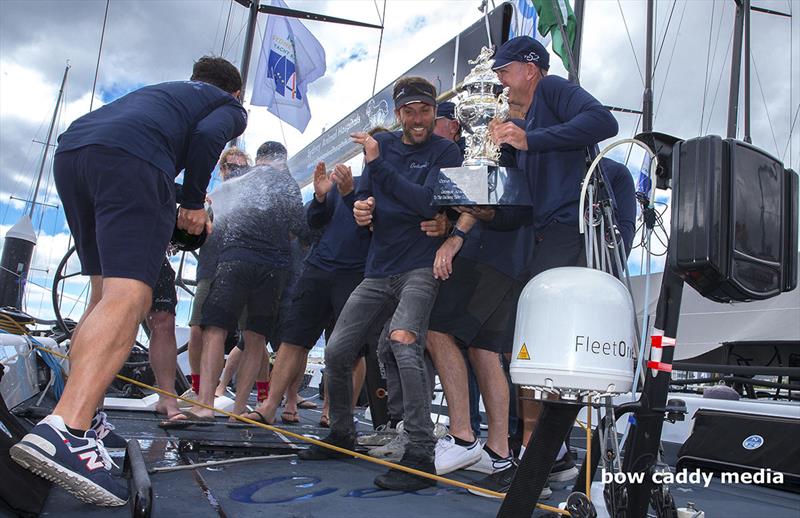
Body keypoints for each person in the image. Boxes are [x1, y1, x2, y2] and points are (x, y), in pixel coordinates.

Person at [10, 56, 246, 507]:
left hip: (75, 154)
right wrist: (194, 201)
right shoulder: (228, 107)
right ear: (233, 93)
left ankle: (87, 413)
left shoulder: (162, 93)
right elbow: (208, 137)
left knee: (101, 295)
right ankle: (68, 429)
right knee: (131, 296)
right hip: (130, 160)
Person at [297, 76, 462, 493]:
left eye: (426, 109)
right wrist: (361, 209)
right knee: (336, 351)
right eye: (410, 111)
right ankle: (340, 434)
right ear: (399, 113)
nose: (419, 118)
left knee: (405, 343)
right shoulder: (382, 147)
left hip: (420, 267)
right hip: (377, 267)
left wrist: (378, 166)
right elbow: (368, 199)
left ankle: (421, 452)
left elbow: (427, 202)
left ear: (434, 110)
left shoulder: (445, 150)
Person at [475, 36, 618, 496]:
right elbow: (516, 197)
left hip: (572, 228)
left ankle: (546, 451)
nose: (499, 79)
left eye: (504, 71)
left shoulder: (555, 89)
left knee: (538, 337)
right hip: (540, 233)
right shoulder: (521, 118)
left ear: (530, 68)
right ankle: (549, 453)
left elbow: (604, 120)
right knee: (525, 340)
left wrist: (529, 137)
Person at [242, 158, 372, 427]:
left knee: (352, 349)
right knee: (293, 338)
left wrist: (349, 195)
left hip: (357, 273)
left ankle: (336, 414)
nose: (372, 158)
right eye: (369, 151)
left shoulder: (389, 189)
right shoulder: (343, 183)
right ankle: (268, 406)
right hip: (319, 267)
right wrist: (321, 197)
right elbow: (312, 224)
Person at [187, 141, 310, 421]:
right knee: (256, 336)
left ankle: (204, 404)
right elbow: (301, 229)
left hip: (235, 260)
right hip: (274, 268)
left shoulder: (241, 180)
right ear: (282, 159)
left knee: (215, 329)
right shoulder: (287, 184)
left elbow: (219, 225)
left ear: (259, 158)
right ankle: (240, 410)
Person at [180, 147, 250, 409]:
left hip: (243, 272)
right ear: (221, 170)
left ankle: (260, 396)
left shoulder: (252, 198)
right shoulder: (209, 200)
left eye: (241, 167)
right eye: (230, 167)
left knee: (252, 336)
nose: (235, 171)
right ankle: (198, 389)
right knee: (197, 329)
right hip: (210, 270)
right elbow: (191, 233)